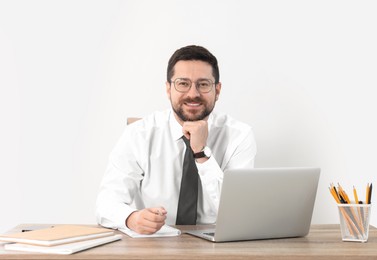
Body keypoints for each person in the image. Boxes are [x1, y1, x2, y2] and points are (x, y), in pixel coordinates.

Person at [96, 45, 257, 234]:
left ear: (218, 90)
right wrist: (132, 219)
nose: (193, 94)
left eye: (203, 84)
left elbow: (237, 212)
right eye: (183, 83)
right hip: (156, 244)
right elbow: (106, 202)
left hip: (217, 247)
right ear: (168, 88)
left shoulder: (239, 136)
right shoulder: (138, 134)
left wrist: (201, 153)